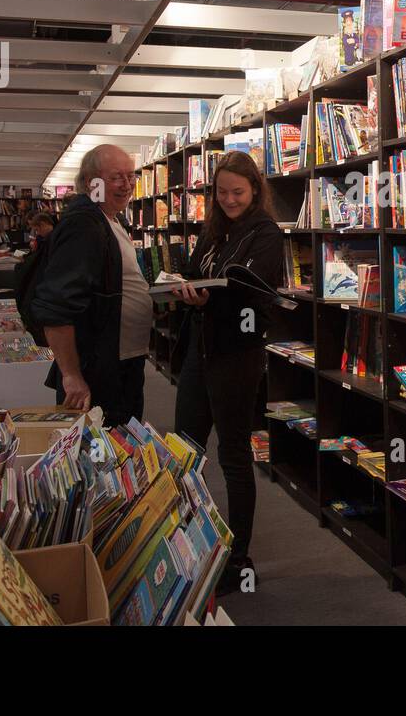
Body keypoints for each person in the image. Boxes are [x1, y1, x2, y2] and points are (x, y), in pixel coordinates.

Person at [172, 150, 283, 593]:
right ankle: (193, 543)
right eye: (221, 193)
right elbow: (195, 271)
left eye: (237, 192)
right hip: (200, 351)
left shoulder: (266, 233)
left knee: (233, 454)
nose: (229, 200)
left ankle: (239, 560)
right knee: (186, 448)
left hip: (237, 354)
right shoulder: (215, 230)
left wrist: (210, 297)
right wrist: (183, 286)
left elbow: (255, 294)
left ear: (255, 190)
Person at [30, 145, 153, 427]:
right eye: (116, 177)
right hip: (98, 370)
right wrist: (71, 375)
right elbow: (56, 305)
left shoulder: (111, 220)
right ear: (91, 183)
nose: (127, 185)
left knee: (121, 450)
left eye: (131, 176)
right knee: (98, 457)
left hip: (123, 362)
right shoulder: (85, 225)